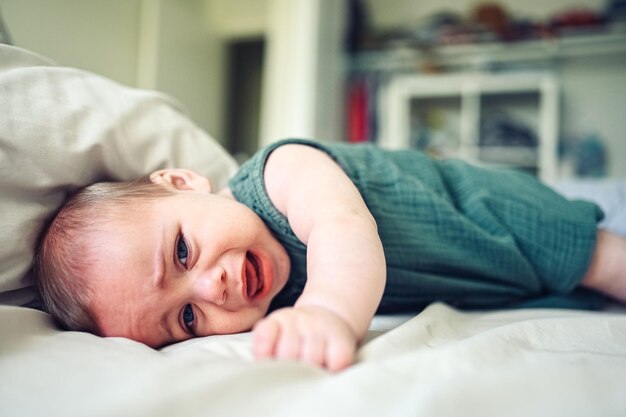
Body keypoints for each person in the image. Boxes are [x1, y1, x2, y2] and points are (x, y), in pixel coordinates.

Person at [34, 138, 626, 371]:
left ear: (184, 183)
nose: (211, 289)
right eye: (187, 319)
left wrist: (329, 312)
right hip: (487, 280)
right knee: (580, 292)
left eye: (183, 251)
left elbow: (343, 228)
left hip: (495, 215)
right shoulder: (271, 301)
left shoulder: (279, 176)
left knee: (602, 263)